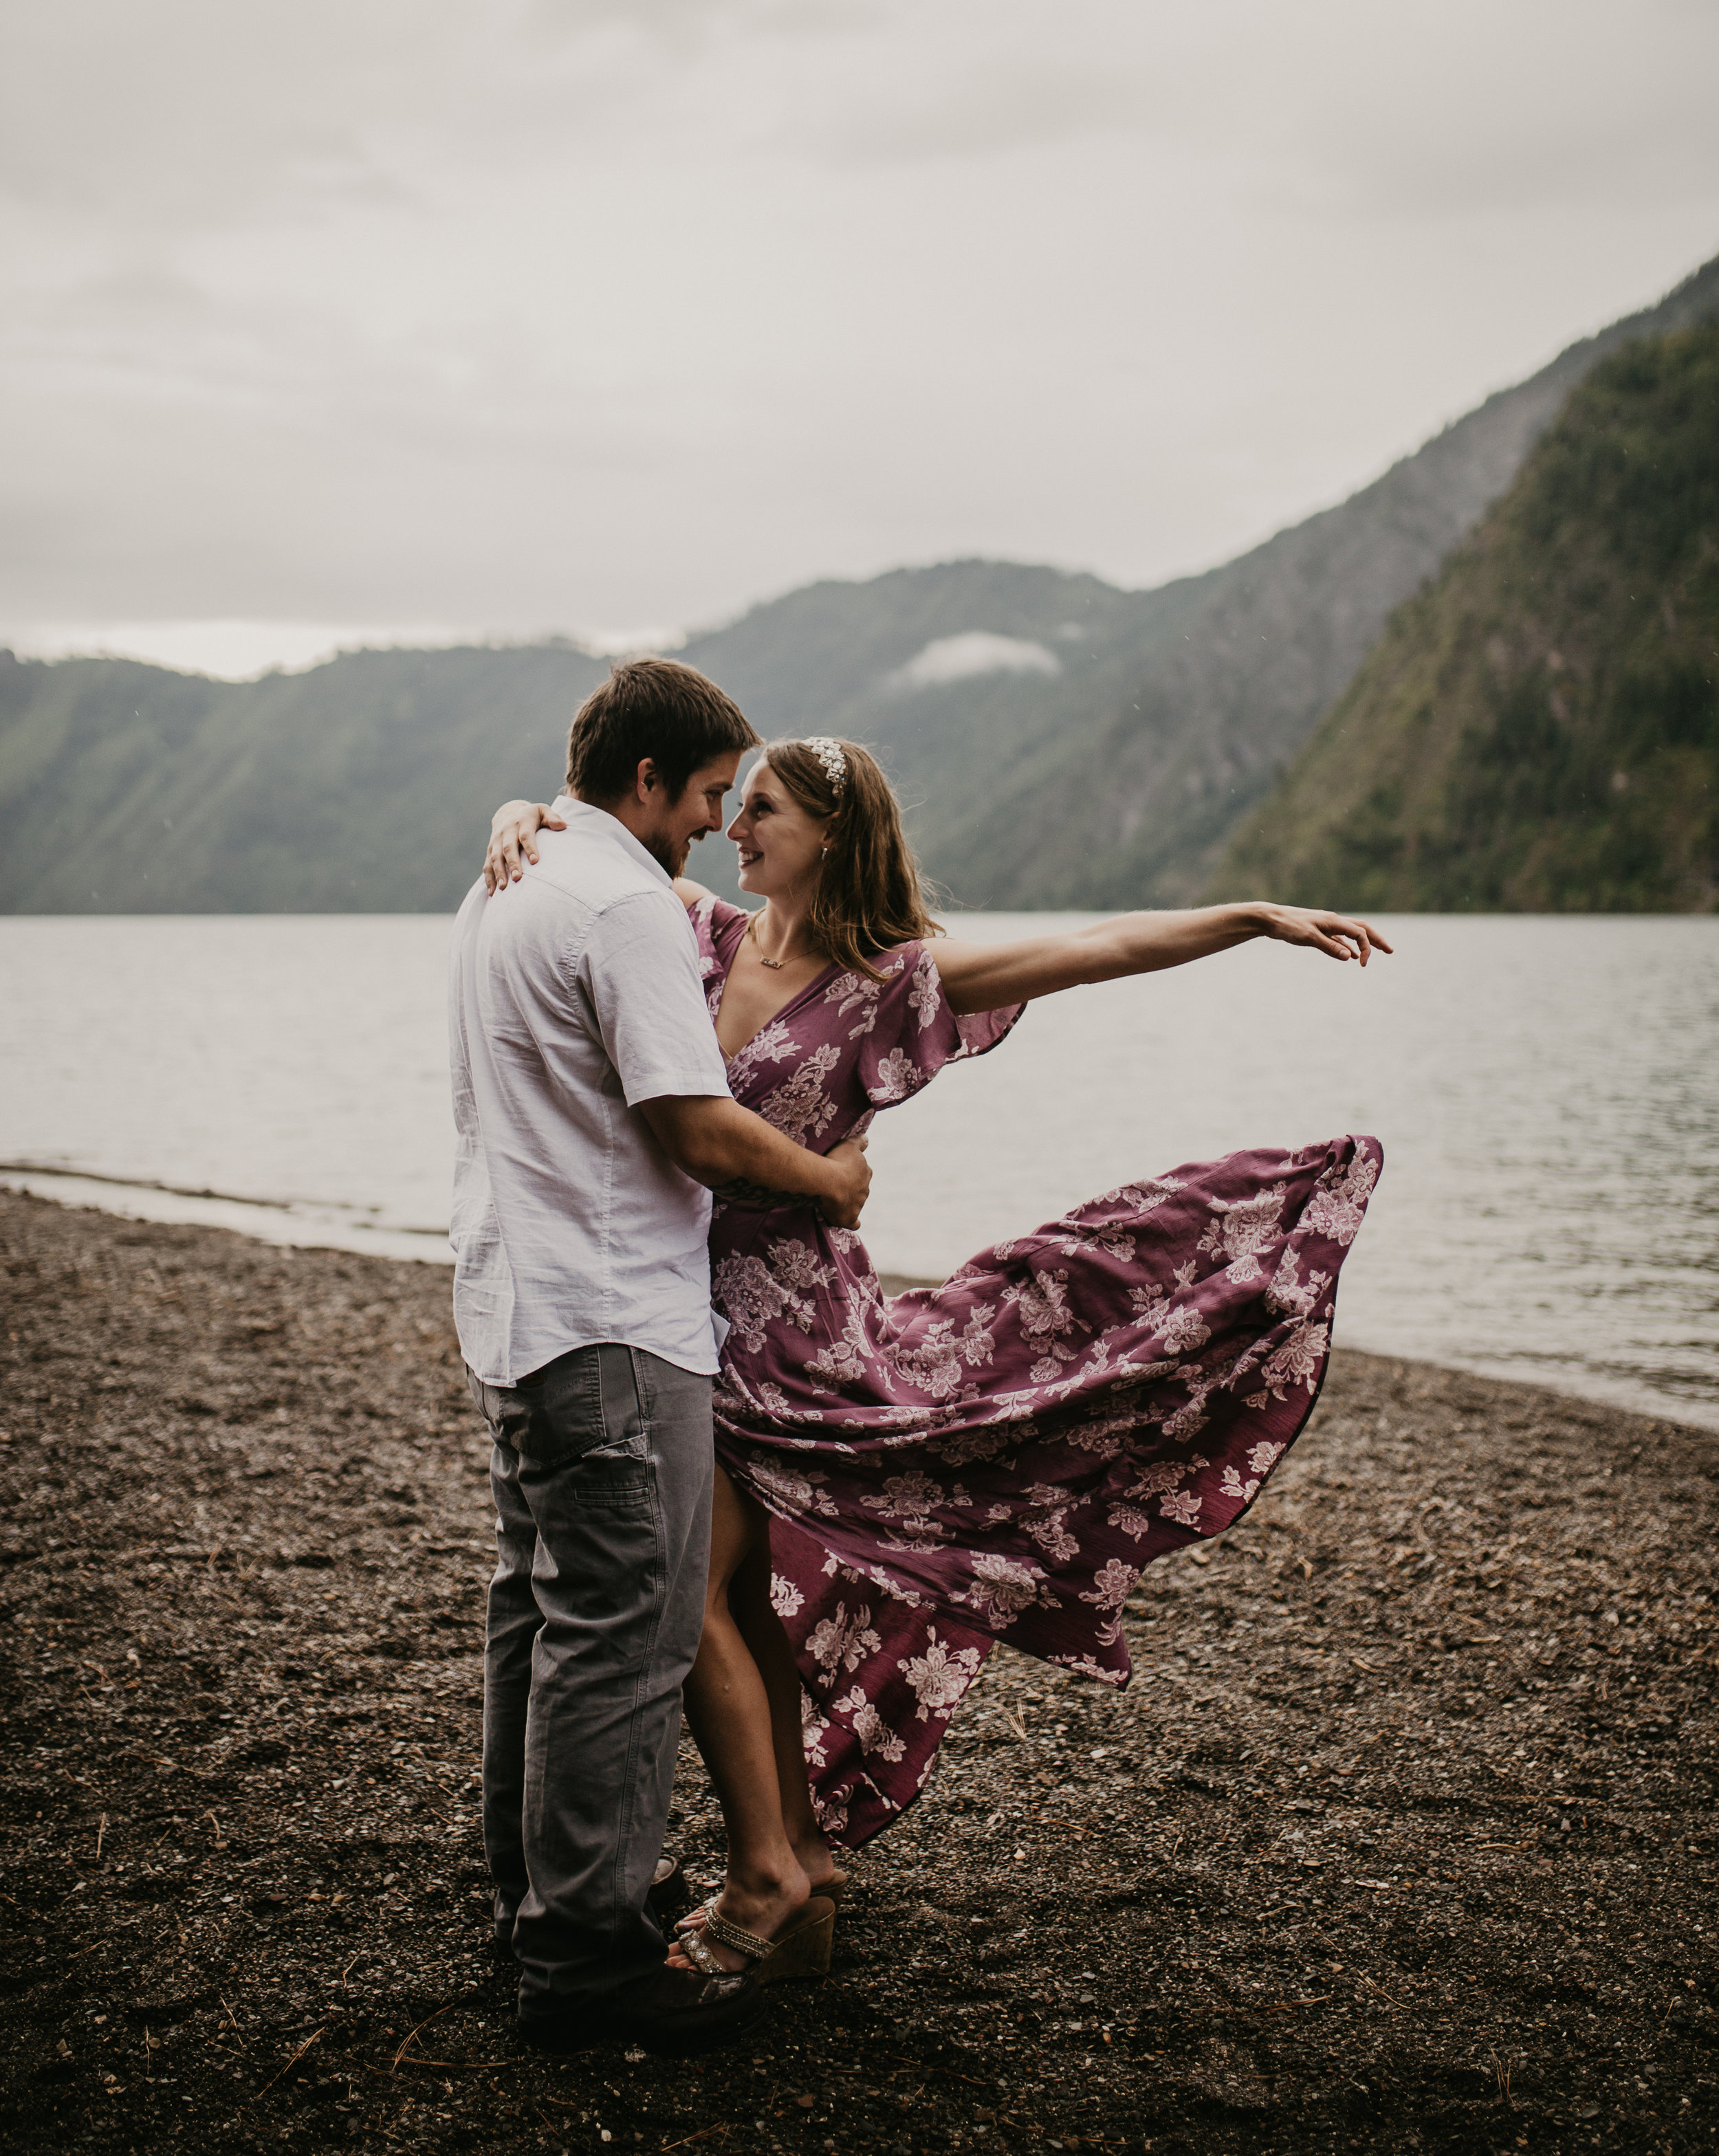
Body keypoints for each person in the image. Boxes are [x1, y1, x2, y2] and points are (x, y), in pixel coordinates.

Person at [483, 730, 1390, 1983]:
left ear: (830, 838)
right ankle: (800, 1851)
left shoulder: (891, 980)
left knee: (684, 1598)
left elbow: (1098, 949)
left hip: (796, 1335)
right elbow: (591, 832)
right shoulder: (701, 935)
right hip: (681, 1317)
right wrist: (519, 810)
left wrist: (1250, 916)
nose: (733, 831)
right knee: (738, 1601)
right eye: (730, 808)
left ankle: (772, 1876)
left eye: (762, 814)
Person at [449, 663, 871, 2056]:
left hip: (518, 1308)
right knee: (621, 1640)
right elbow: (691, 1122)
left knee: (539, 1615)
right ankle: (584, 1960)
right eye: (700, 797)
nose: (706, 827)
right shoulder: (624, 901)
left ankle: (545, 1899)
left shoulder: (507, 879)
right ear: (645, 783)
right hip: (618, 1322)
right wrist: (825, 1178)